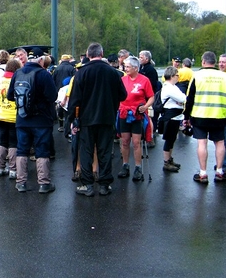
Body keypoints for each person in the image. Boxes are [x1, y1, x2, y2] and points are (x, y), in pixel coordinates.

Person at [68, 43, 127, 196]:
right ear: (102, 53)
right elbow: (123, 95)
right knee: (105, 151)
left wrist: (71, 120)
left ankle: (87, 185)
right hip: (107, 117)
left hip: (86, 119)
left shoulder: (81, 73)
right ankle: (104, 184)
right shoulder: (113, 73)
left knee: (86, 151)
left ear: (88, 55)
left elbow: (75, 100)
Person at [7, 47, 57, 193]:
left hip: (22, 119)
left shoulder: (18, 73)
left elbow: (10, 96)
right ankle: (43, 183)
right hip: (41, 120)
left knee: (22, 150)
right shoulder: (43, 74)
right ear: (41, 59)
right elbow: (52, 96)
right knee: (42, 150)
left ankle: (21, 183)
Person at [183, 51, 226, 183]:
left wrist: (186, 116)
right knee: (220, 143)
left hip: (200, 115)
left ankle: (203, 173)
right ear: (215, 62)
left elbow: (189, 98)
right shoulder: (224, 77)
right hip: (219, 115)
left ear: (203, 61)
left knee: (202, 143)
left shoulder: (197, 75)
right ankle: (219, 171)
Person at [118, 56, 155, 182]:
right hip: (124, 112)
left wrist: (145, 107)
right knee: (124, 141)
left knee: (136, 142)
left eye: (128, 66)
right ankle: (125, 165)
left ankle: (138, 167)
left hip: (137, 114)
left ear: (135, 68)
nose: (125, 68)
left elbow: (151, 97)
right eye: (125, 66)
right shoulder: (122, 80)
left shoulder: (144, 80)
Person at [0, 58, 22, 177]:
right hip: (13, 115)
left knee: (2, 141)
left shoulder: (0, 80)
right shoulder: (16, 80)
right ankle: (13, 170)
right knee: (13, 142)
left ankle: (0, 167)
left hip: (0, 114)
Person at [159, 66, 186, 172]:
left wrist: (181, 100)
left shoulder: (172, 87)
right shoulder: (169, 88)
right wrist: (181, 100)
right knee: (169, 139)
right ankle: (166, 162)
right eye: (177, 75)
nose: (178, 77)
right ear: (171, 76)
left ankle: (169, 159)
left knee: (172, 139)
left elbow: (182, 98)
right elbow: (183, 98)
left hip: (175, 116)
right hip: (171, 116)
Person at [52, 54, 76, 133]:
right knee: (67, 110)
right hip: (68, 91)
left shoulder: (57, 69)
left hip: (59, 91)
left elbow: (53, 80)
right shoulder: (72, 68)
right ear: (69, 60)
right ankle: (68, 127)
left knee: (60, 109)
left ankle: (61, 125)